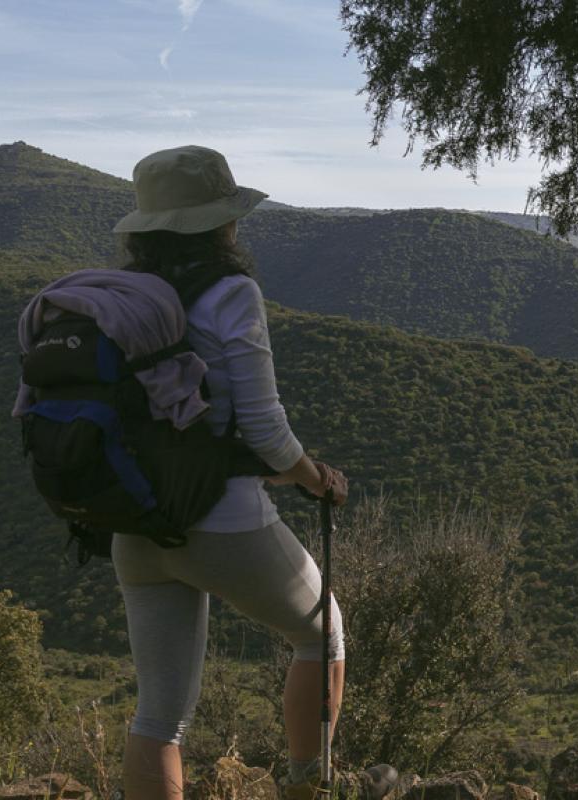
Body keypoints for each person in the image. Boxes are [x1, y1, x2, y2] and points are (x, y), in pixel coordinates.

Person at [108, 145, 350, 800]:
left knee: (160, 713)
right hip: (220, 520)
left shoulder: (125, 296)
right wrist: (310, 476)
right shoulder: (230, 292)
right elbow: (266, 428)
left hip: (132, 522)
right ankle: (307, 785)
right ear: (220, 225)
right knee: (323, 634)